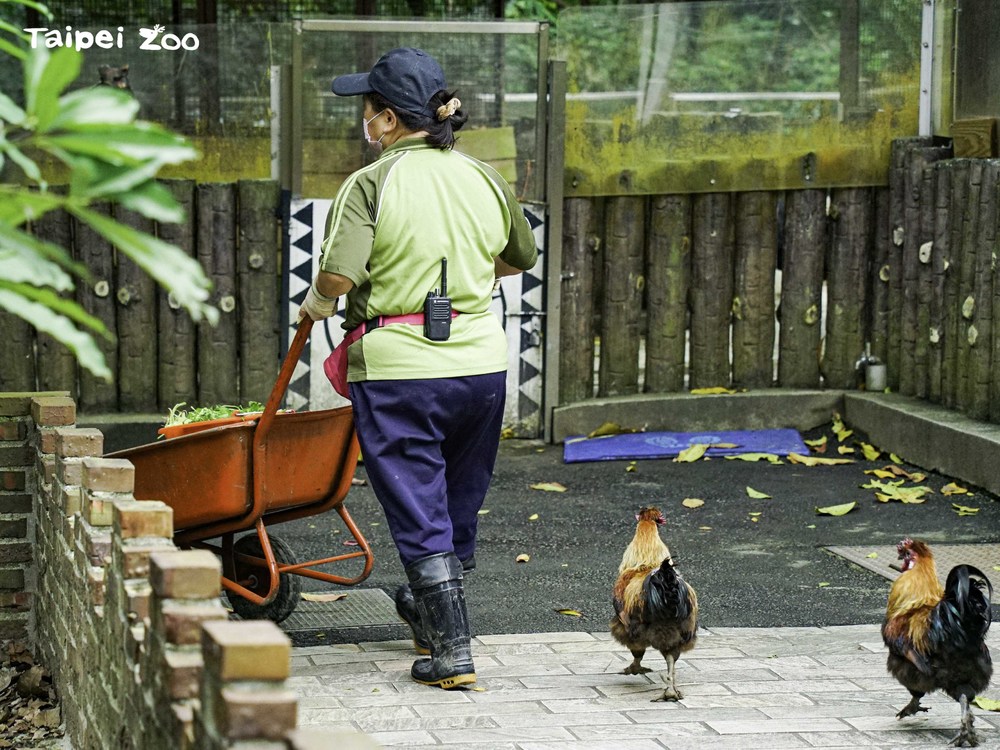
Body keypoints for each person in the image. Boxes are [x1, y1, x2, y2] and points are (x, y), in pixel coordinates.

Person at [297, 47, 538, 690]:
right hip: (482, 366)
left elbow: (339, 275)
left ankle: (452, 653)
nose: (364, 122)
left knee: (416, 499)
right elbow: (519, 258)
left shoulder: (370, 183)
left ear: (387, 118)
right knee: (459, 495)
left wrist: (317, 301)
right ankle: (428, 611)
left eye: (367, 110)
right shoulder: (483, 176)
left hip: (399, 368)